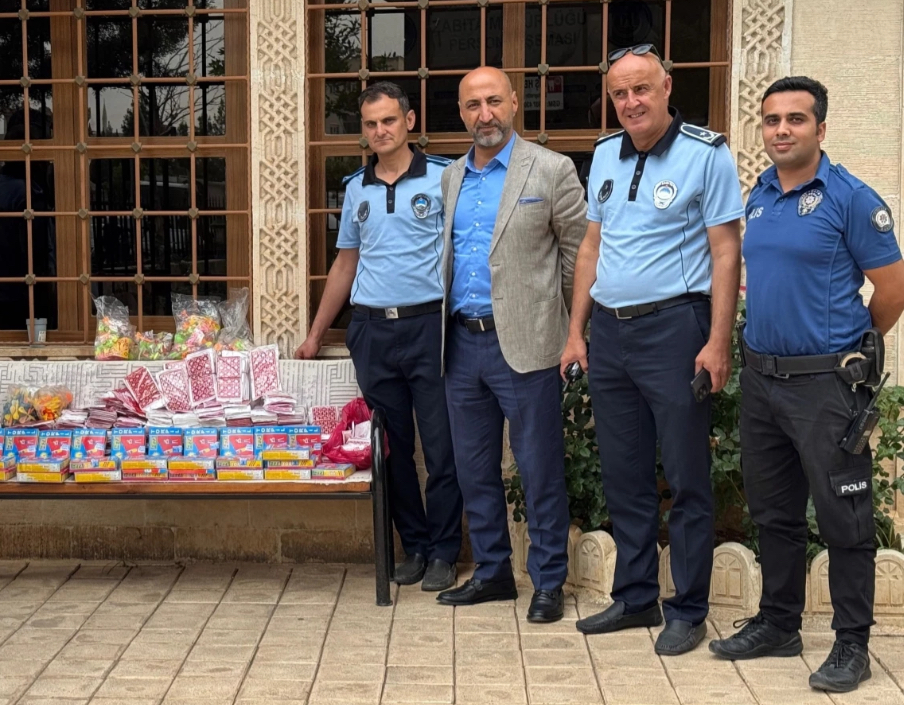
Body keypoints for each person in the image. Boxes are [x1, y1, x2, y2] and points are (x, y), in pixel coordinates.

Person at [708, 77, 904, 692]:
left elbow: (892, 290)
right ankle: (779, 622)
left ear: (821, 129)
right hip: (763, 380)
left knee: (845, 515)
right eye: (771, 120)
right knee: (775, 511)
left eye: (796, 119)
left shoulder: (851, 199)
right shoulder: (761, 194)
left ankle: (852, 643)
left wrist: (847, 345)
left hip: (826, 387)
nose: (782, 130)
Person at [562, 44, 744, 655]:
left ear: (667, 86)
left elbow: (726, 252)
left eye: (641, 89)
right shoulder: (606, 152)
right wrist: (576, 331)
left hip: (676, 329)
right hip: (610, 333)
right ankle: (636, 597)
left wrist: (718, 342)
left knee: (688, 475)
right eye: (619, 93)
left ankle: (687, 608)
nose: (631, 102)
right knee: (625, 473)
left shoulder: (706, 153)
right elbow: (591, 247)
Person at [295, 81, 463, 592]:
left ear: (409, 121)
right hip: (371, 328)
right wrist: (316, 332)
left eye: (388, 120)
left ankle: (443, 552)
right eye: (370, 124)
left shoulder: (443, 177)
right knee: (389, 448)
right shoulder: (355, 188)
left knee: (440, 448)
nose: (380, 131)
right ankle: (412, 546)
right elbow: (346, 262)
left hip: (428, 325)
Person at [435, 68, 586, 620]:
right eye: (473, 105)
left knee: (538, 465)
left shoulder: (551, 170)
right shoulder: (450, 179)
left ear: (515, 103)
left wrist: (575, 333)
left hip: (525, 344)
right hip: (461, 345)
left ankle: (549, 582)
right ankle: (494, 572)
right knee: (473, 467)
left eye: (494, 101)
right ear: (461, 113)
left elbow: (577, 258)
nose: (485, 114)